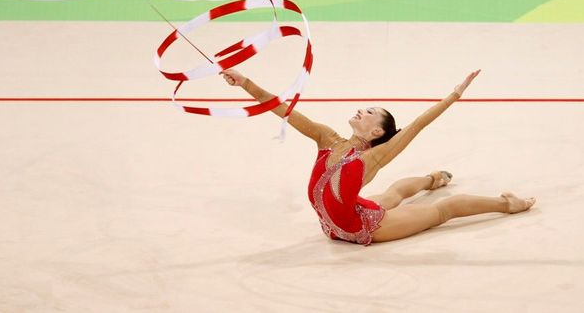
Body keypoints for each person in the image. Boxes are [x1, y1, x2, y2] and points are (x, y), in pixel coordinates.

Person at [221, 69, 536, 245]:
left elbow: (418, 125)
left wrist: (454, 94)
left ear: (375, 133)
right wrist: (246, 83)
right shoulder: (326, 138)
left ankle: (508, 203)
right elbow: (284, 110)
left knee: (443, 210)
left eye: (370, 112)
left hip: (364, 228)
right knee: (392, 193)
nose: (362, 110)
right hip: (332, 228)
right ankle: (433, 178)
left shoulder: (373, 158)